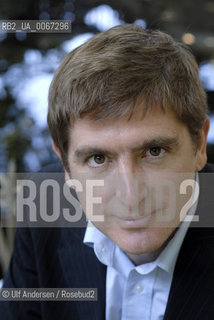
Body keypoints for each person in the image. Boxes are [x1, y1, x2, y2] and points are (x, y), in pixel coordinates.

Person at [0, 24, 214, 319]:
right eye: (98, 158)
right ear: (65, 165)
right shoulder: (42, 205)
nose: (130, 195)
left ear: (199, 145)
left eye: (154, 152)